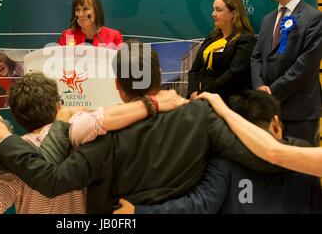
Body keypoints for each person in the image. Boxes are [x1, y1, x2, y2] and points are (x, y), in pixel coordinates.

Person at [0, 42, 284, 214]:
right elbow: (261, 154)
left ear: (117, 86)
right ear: (159, 75)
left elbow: (52, 181)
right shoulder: (200, 116)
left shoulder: (105, 131)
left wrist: (4, 139)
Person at [0, 72, 184, 214]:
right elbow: (106, 118)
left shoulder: (9, 156)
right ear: (58, 103)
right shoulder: (77, 127)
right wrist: (155, 102)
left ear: (15, 114)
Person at [114, 90, 320, 214]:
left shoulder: (224, 160)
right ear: (276, 123)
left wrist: (138, 212)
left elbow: (199, 206)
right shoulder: (305, 155)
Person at [251, 0, 322, 145]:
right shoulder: (268, 20)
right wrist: (260, 89)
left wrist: (272, 92)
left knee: (302, 171)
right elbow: (256, 57)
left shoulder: (313, 18)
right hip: (269, 111)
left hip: (299, 112)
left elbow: (306, 65)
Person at [197, 91, 322, 179]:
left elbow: (273, 152)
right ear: (275, 123)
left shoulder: (221, 165)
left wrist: (224, 111)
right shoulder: (304, 152)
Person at [187, 0, 256, 101]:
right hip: (200, 102)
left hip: (227, 102)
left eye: (218, 10)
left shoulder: (245, 40)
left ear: (233, 13)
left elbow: (233, 74)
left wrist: (202, 93)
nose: (213, 14)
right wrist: (192, 92)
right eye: (213, 9)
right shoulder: (211, 38)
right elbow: (194, 70)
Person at [58, 0, 123, 48]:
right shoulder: (67, 35)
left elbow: (119, 61)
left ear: (97, 11)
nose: (80, 14)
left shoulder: (114, 36)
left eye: (85, 9)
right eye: (77, 10)